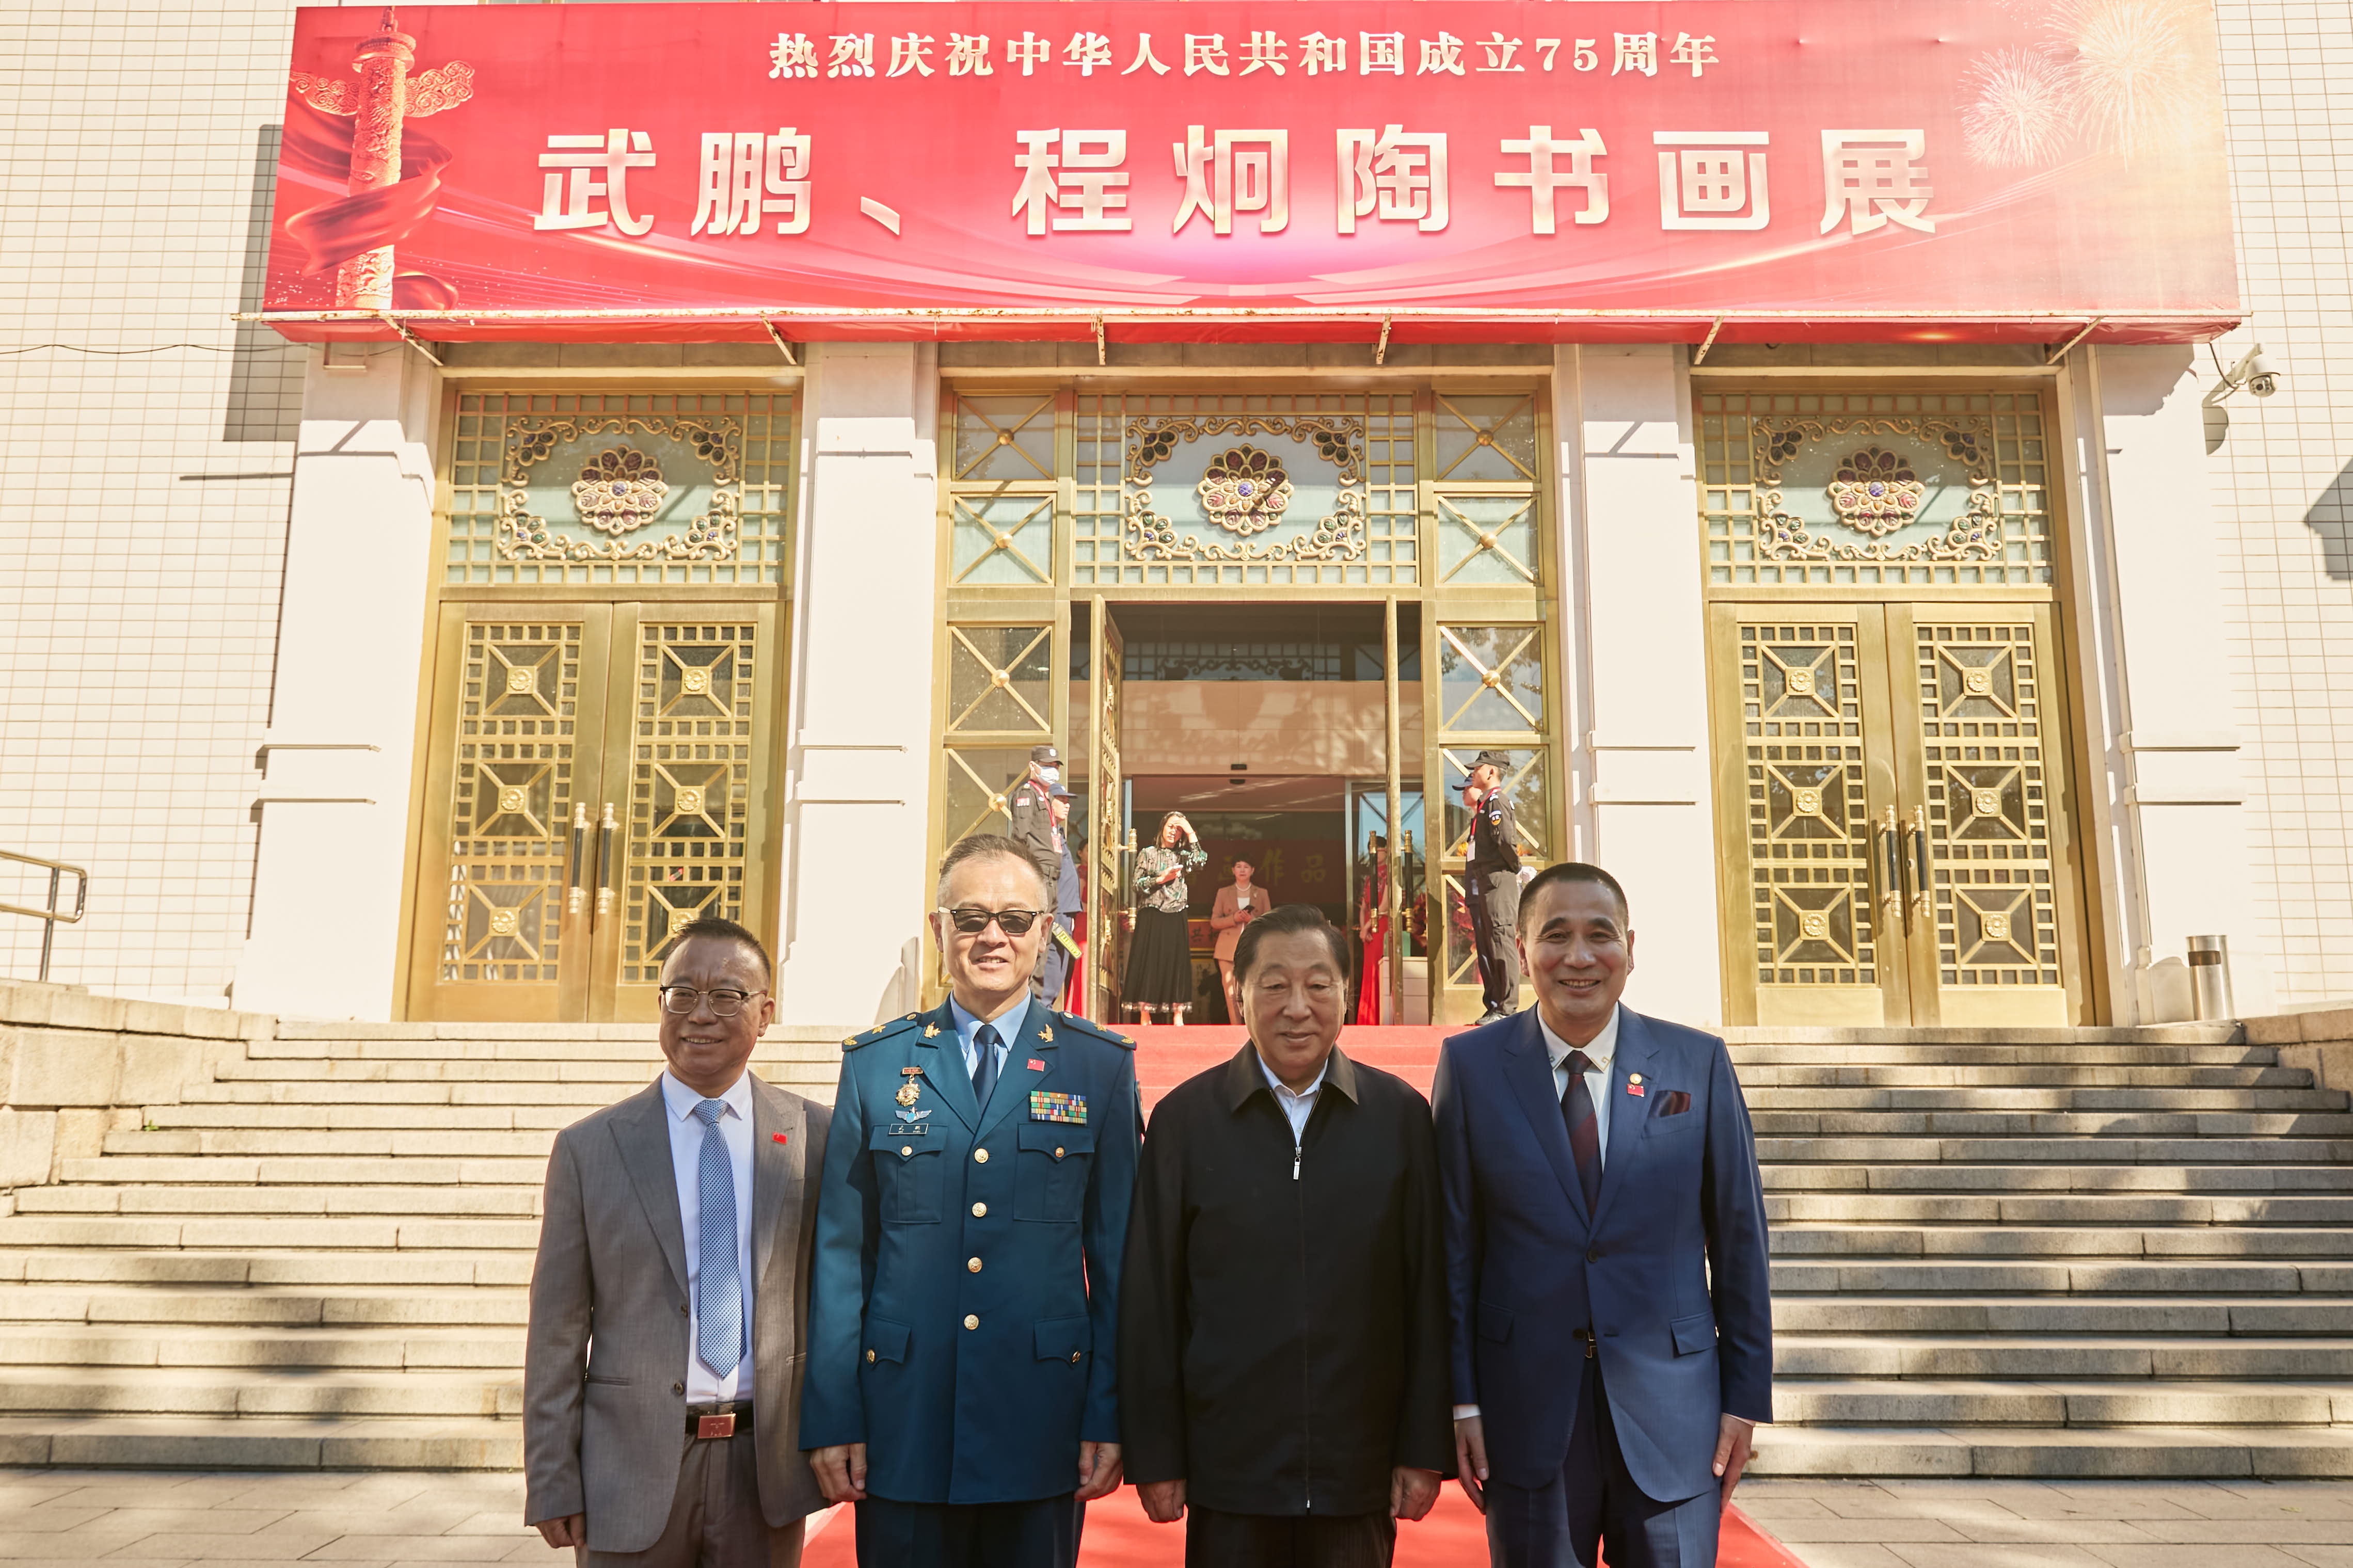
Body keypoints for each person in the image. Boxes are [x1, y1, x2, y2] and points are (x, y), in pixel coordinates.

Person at [801, 834, 1142, 1568]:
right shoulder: (877, 1065)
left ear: (1045, 932)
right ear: (938, 929)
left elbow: (1118, 1263)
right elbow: (841, 1257)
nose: (993, 936)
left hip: (1042, 1416)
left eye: (1015, 919)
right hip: (904, 1417)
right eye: (970, 917)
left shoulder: (1097, 1067)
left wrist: (1109, 1411)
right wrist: (833, 1415)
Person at [1432, 863, 1772, 1568]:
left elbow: (1740, 1240)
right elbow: (1453, 1248)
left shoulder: (1696, 1061)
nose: (1579, 956)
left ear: (1630, 948)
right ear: (1522, 950)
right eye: (1555, 935)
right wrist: (1462, 1401)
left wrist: (1744, 1398)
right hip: (1525, 1408)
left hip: (1674, 1410)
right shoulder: (1471, 1066)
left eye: (1600, 934)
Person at [1121, 902, 1452, 1568]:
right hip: (1229, 1469)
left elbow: (1428, 1291)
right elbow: (1151, 1297)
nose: (1297, 1007)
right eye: (1274, 985)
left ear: (1345, 993)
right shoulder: (1186, 1121)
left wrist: (1422, 1448)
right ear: (1237, 991)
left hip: (1357, 1469)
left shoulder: (1399, 1117)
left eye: (1318, 984)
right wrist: (1156, 1453)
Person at [524, 916, 829, 1566]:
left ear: (765, 1012)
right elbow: (556, 1328)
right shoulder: (590, 1149)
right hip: (627, 1473)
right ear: (660, 1004)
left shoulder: (815, 1136)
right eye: (682, 993)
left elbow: (839, 1302)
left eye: (727, 995)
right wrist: (552, 1474)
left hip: (763, 1471)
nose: (701, 1013)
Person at [1463, 751, 1528, 1024]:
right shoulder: (1486, 804)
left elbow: (1504, 841)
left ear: (1491, 772)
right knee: (1492, 943)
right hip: (1489, 881)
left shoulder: (1497, 801)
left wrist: (1515, 868)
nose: (1473, 774)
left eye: (1478, 769)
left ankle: (1507, 1007)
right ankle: (1498, 1004)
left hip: (1499, 879)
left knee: (1502, 940)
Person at [1124, 811, 1205, 1026]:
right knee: (1149, 962)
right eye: (1171, 826)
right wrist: (1160, 879)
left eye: (1178, 830)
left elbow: (1200, 861)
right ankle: (1145, 1013)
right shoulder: (1148, 853)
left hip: (1176, 911)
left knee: (1177, 963)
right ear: (1162, 827)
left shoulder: (1183, 856)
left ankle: (1178, 1013)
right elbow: (1136, 884)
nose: (1173, 832)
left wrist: (1190, 830)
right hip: (1151, 912)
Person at [1008, 745, 1063, 1000]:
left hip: (1051, 876)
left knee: (1044, 938)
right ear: (1033, 766)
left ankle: (1035, 999)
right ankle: (1023, 997)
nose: (1052, 771)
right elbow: (1020, 837)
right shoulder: (1027, 795)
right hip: (1038, 874)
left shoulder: (1045, 797)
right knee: (1034, 935)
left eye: (1055, 767)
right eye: (1047, 766)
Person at [1041, 782, 1083, 1008]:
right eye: (1062, 801)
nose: (1067, 806)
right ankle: (1043, 1008)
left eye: (1068, 802)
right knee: (1052, 959)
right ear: (1050, 803)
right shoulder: (1044, 834)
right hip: (1056, 909)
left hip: (1066, 910)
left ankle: (1047, 1007)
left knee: (1061, 961)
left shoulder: (1058, 832)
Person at [1207, 857, 1264, 1025]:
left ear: (1253, 870)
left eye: (1246, 866)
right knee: (1231, 992)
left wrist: (1252, 920)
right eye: (1238, 866)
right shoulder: (1223, 893)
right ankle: (1235, 1027)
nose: (1242, 870)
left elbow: (1270, 922)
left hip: (1253, 948)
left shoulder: (1262, 893)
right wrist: (1234, 918)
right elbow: (1214, 922)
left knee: (1252, 989)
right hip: (1227, 948)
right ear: (1233, 870)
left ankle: (1253, 1026)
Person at [1354, 834, 1390, 1026]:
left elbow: (1384, 907)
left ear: (1386, 851)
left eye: (1378, 850)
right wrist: (1363, 929)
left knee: (1379, 970)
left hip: (1381, 926)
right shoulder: (1370, 877)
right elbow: (1363, 907)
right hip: (1369, 930)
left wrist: (1367, 927)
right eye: (1372, 851)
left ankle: (1379, 1018)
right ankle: (1367, 1018)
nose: (1375, 854)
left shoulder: (1390, 874)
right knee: (1368, 972)